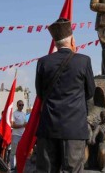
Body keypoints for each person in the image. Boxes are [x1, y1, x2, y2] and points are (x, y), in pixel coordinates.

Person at [35, 18, 96, 172]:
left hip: (48, 126)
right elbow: (90, 91)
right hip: (74, 128)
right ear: (72, 40)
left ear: (55, 43)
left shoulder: (43, 62)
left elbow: (40, 93)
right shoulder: (83, 61)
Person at [10, 100, 26, 170]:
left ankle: (19, 166)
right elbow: (12, 125)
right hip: (16, 135)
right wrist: (22, 125)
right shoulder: (14, 114)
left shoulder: (24, 114)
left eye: (22, 105)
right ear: (17, 105)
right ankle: (12, 167)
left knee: (21, 152)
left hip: (22, 135)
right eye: (20, 105)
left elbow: (25, 125)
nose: (21, 106)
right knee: (13, 152)